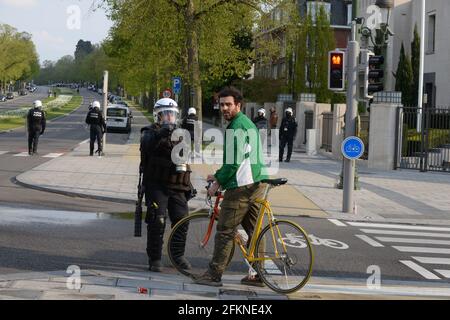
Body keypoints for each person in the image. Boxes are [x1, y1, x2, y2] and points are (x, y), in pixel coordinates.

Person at [193, 86, 268, 287]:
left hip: (242, 186)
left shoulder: (236, 127)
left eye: (228, 104)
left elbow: (234, 163)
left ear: (238, 105)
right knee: (255, 231)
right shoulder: (247, 123)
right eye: (221, 104)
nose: (224, 108)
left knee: (225, 229)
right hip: (257, 182)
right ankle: (259, 274)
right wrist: (218, 174)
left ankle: (214, 273)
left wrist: (217, 182)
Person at [140, 98, 194, 272]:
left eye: (172, 114)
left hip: (177, 185)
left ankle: (177, 256)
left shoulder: (180, 133)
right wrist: (160, 134)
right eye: (166, 114)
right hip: (157, 184)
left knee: (182, 219)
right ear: (158, 116)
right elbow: (146, 146)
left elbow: (185, 157)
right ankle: (154, 258)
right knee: (158, 220)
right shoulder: (149, 132)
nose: (169, 117)